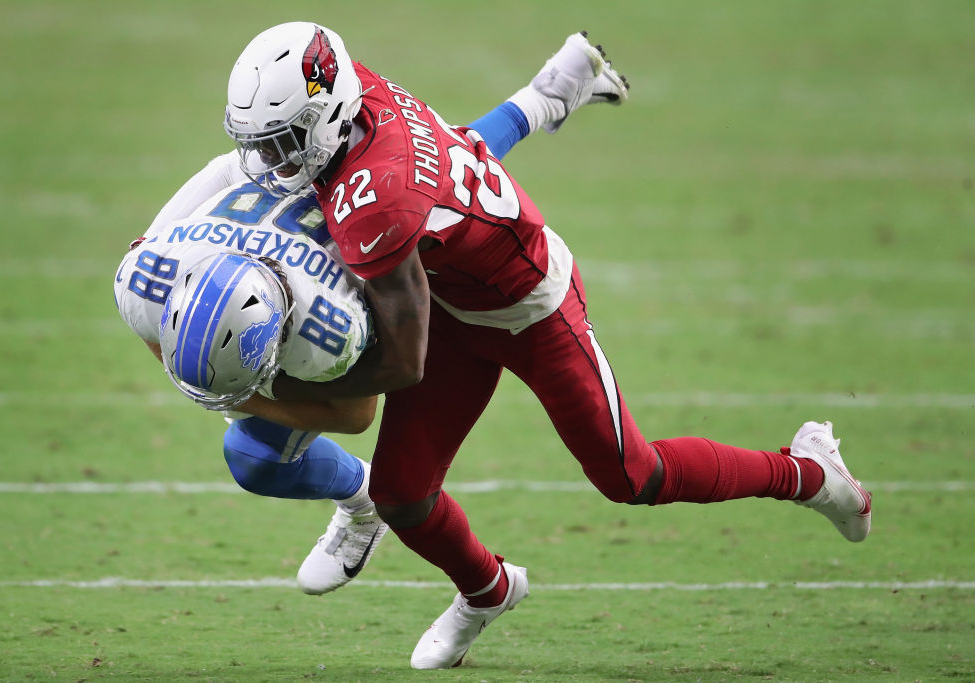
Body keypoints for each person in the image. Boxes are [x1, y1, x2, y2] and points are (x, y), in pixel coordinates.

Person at [211, 21, 873, 669]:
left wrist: (277, 383)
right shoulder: (364, 96)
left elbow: (402, 363)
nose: (272, 160)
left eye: (283, 141)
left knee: (632, 475)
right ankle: (488, 591)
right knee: (403, 494)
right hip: (449, 293)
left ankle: (809, 470)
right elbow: (459, 148)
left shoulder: (375, 196)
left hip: (529, 305)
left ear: (327, 116)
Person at [115, 30, 629, 597]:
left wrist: (257, 391)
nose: (267, 159)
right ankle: (549, 95)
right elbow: (182, 224)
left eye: (281, 140)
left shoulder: (328, 314)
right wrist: (204, 362)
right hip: (266, 244)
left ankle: (362, 502)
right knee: (449, 167)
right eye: (258, 142)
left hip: (352, 268)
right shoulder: (148, 279)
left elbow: (366, 404)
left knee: (252, 456)